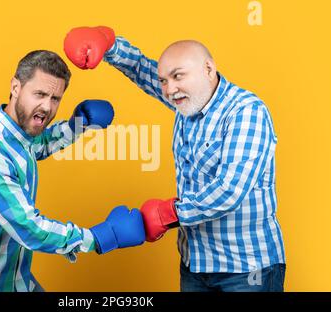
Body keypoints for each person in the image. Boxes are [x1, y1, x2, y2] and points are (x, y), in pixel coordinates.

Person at [64, 26, 286, 292]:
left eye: (178, 76)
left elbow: (230, 191)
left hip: (246, 269)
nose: (170, 89)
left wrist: (167, 214)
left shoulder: (246, 112)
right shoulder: (189, 101)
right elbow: (141, 69)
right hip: (194, 264)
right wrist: (107, 42)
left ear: (208, 69)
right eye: (164, 81)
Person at [0, 49, 145, 292]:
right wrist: (99, 237)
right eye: (39, 94)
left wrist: (78, 125)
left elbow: (37, 145)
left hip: (12, 281)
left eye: (55, 98)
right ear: (15, 87)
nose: (47, 107)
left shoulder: (15, 135)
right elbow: (29, 228)